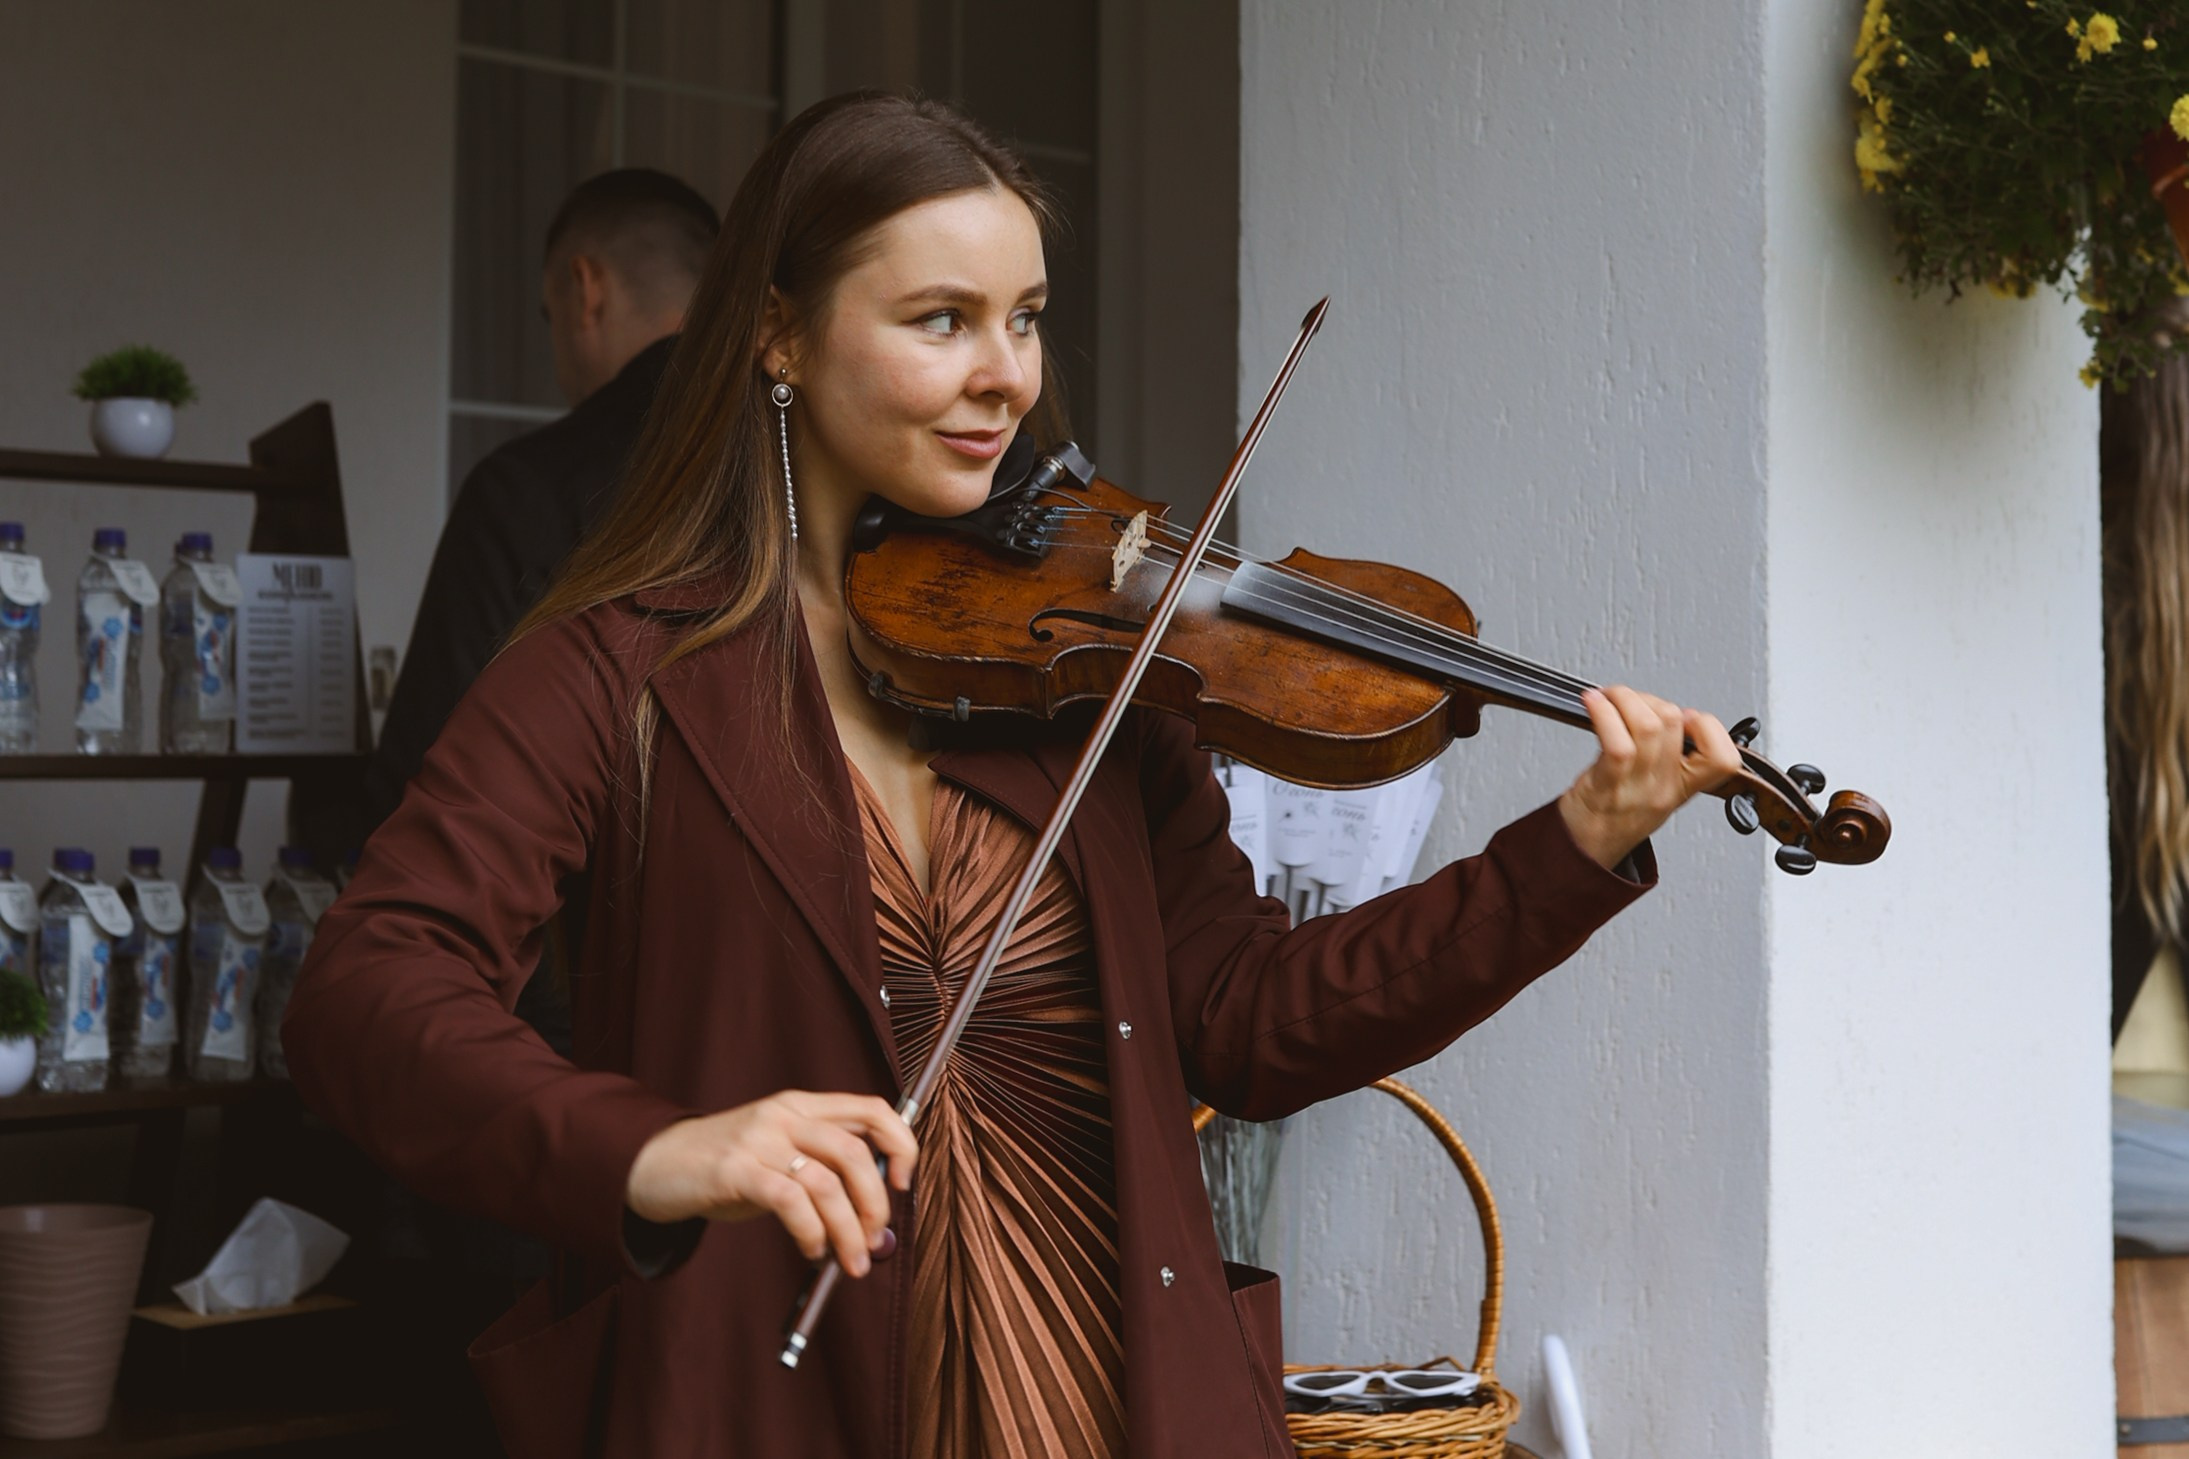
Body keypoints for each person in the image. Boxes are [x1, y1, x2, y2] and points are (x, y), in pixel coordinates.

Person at [284, 92, 1740, 1459]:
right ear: (780, 335)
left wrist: (1569, 848)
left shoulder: (1087, 669)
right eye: (941, 321)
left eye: (1026, 319)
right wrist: (655, 1146)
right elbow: (371, 984)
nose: (1007, 375)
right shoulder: (613, 669)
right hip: (769, 1396)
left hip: (1117, 1392)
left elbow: (1245, 1018)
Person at [363, 167, 720, 839]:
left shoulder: (526, 489)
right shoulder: (806, 462)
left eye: (551, 317)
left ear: (586, 290)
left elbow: (426, 777)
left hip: (577, 910)